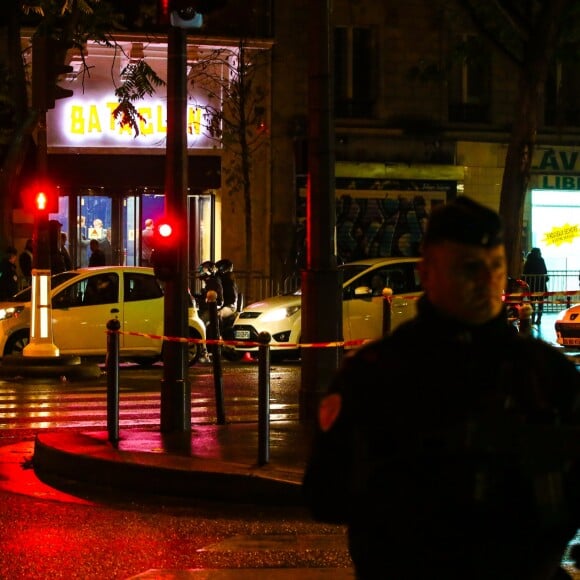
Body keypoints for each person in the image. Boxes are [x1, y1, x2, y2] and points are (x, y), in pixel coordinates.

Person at [303, 196, 580, 580]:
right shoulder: (377, 375)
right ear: (427, 272)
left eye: (495, 267)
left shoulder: (545, 374)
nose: (487, 281)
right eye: (469, 268)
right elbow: (325, 496)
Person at [523, 247, 549, 325]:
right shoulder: (541, 260)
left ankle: (533, 318)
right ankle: (539, 319)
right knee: (540, 302)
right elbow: (545, 271)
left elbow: (525, 272)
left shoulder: (529, 261)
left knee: (532, 302)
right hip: (540, 284)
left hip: (531, 284)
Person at [215, 258, 239, 324]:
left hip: (230, 306)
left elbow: (232, 298)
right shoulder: (220, 278)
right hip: (224, 304)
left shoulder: (229, 278)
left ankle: (219, 333)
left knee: (218, 314)